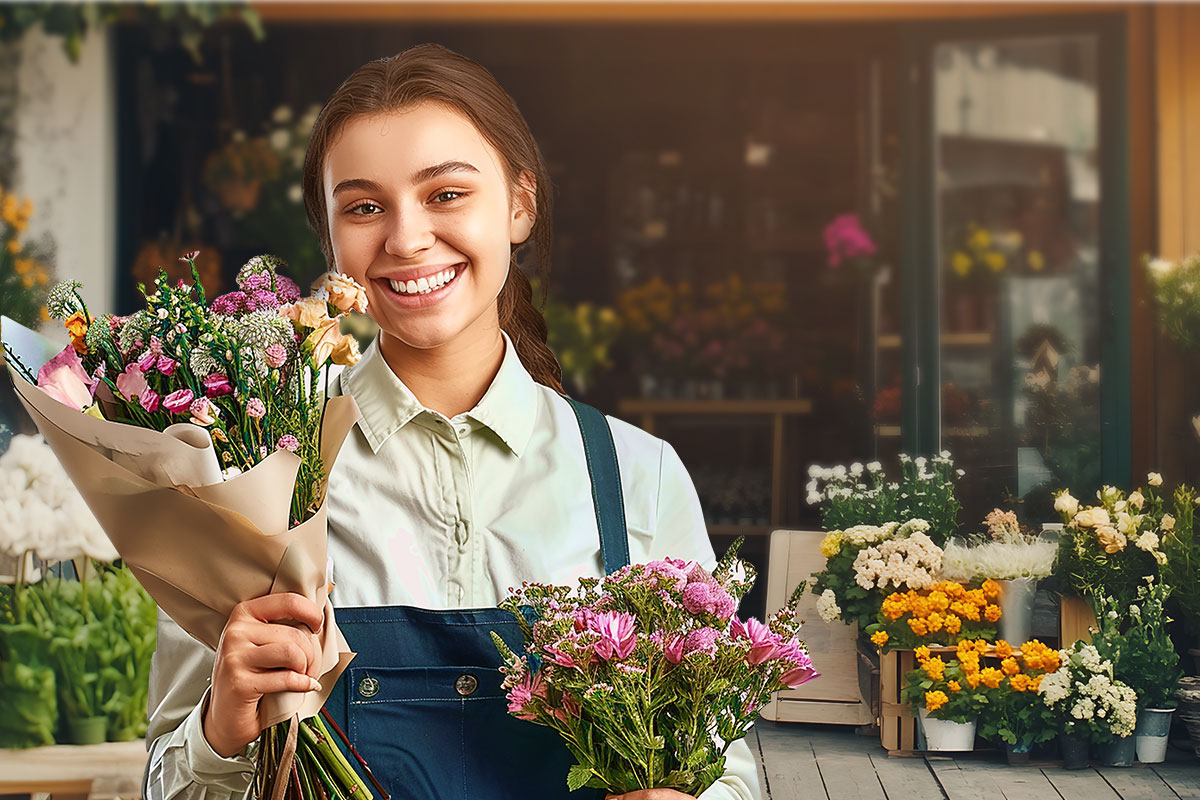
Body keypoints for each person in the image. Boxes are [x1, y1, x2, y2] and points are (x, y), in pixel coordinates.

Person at [141, 43, 764, 800]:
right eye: (365, 207)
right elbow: (165, 786)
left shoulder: (637, 477)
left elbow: (727, 767)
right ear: (331, 238)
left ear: (518, 205)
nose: (406, 239)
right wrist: (220, 731)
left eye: (445, 194)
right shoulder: (251, 477)